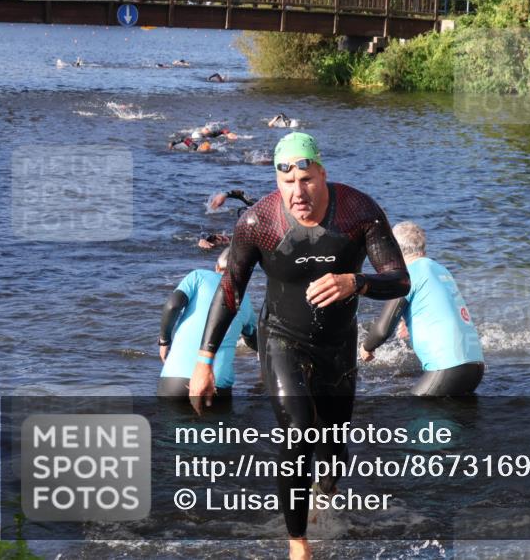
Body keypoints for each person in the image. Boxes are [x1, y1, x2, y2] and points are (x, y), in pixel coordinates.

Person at [188, 132, 409, 560]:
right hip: (281, 338)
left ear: (322, 174)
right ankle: (298, 544)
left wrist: (356, 282)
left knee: (334, 451)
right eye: (287, 182)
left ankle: (325, 493)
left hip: (337, 345)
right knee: (298, 429)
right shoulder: (258, 223)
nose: (298, 192)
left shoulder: (358, 211)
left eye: (306, 180)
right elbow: (230, 290)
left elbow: (400, 280)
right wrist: (204, 361)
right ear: (277, 182)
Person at [362, 221, 485, 396]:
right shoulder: (440, 269)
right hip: (475, 367)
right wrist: (410, 319)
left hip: (448, 367)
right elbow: (440, 305)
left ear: (394, 250)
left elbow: (382, 330)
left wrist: (367, 347)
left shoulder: (408, 274)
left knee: (412, 409)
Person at [158, 247, 257, 399]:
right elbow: (254, 340)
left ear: (217, 266)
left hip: (175, 379)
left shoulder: (198, 276)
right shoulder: (246, 300)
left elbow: (173, 306)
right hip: (217, 382)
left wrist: (164, 340)